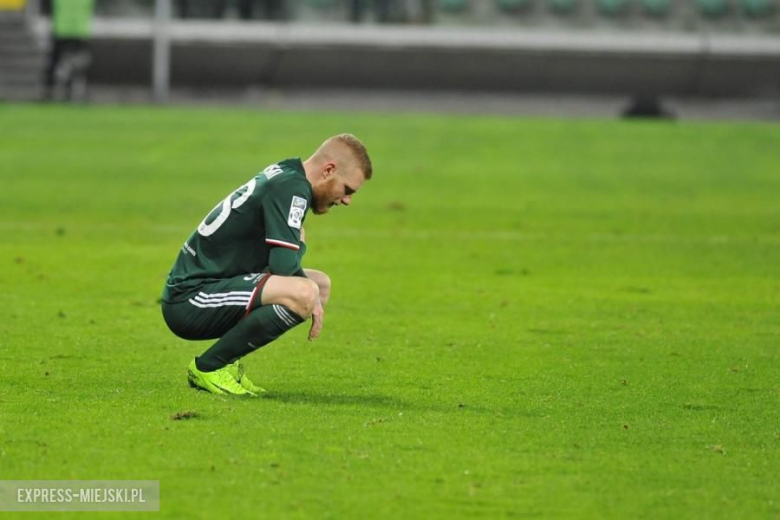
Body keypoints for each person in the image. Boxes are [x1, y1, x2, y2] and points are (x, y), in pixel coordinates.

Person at [161, 134, 373, 396]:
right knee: (305, 293)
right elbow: (283, 267)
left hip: (215, 285)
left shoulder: (288, 172)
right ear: (329, 170)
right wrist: (303, 266)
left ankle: (227, 361)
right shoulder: (292, 189)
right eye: (348, 189)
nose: (347, 200)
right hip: (191, 300)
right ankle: (209, 367)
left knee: (320, 285)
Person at [43, 0, 94, 102]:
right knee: (79, 67)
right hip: (79, 32)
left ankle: (55, 94)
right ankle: (75, 93)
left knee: (59, 67)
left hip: (62, 31)